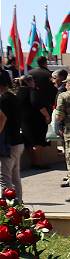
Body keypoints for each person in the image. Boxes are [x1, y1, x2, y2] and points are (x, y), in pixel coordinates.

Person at [0, 71, 25, 200]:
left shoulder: (2, 100)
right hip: (18, 141)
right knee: (15, 178)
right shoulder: (13, 97)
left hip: (8, 144)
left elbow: (2, 118)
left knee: (4, 178)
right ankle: (18, 206)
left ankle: (9, 208)